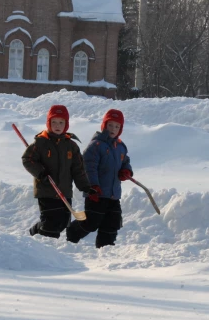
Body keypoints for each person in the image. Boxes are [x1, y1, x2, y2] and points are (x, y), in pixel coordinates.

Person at [22, 105, 94, 238]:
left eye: (61, 122)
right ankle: (42, 244)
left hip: (64, 191)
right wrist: (40, 172)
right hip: (47, 190)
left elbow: (78, 169)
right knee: (51, 225)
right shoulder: (41, 143)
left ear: (66, 125)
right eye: (53, 122)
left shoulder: (71, 146)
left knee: (62, 223)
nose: (57, 125)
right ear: (48, 123)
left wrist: (85, 186)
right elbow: (27, 159)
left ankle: (36, 234)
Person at [66, 109, 132, 248]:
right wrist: (93, 187)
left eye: (117, 126)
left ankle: (105, 247)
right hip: (97, 193)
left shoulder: (120, 147)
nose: (113, 129)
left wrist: (126, 170)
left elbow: (125, 161)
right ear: (104, 126)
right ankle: (72, 233)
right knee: (91, 221)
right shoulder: (96, 146)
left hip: (113, 194)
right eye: (110, 125)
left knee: (113, 221)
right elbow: (89, 168)